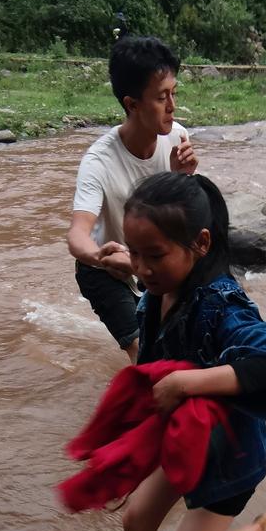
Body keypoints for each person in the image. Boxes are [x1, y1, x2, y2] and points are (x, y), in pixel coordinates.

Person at [117, 171, 266, 531]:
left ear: (201, 243)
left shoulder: (222, 304)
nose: (141, 268)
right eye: (134, 253)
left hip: (230, 455)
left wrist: (184, 383)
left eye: (153, 255)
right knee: (135, 521)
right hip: (185, 438)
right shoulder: (159, 290)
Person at [68, 35, 198, 362]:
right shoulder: (98, 161)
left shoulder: (178, 139)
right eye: (161, 97)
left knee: (190, 345)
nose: (172, 106)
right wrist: (102, 257)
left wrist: (181, 181)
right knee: (147, 357)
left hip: (154, 261)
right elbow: (77, 236)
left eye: (174, 93)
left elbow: (184, 223)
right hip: (106, 271)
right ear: (132, 104)